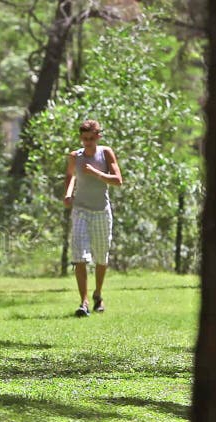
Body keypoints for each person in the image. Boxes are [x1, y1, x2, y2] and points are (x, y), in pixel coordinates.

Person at [63, 119, 123, 317]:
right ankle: (84, 302)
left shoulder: (105, 153)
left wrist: (96, 173)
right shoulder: (75, 156)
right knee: (79, 256)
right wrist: (68, 193)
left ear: (98, 136)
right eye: (84, 139)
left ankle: (98, 293)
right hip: (81, 210)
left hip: (101, 211)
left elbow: (118, 181)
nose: (87, 142)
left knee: (101, 257)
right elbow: (70, 176)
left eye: (91, 138)